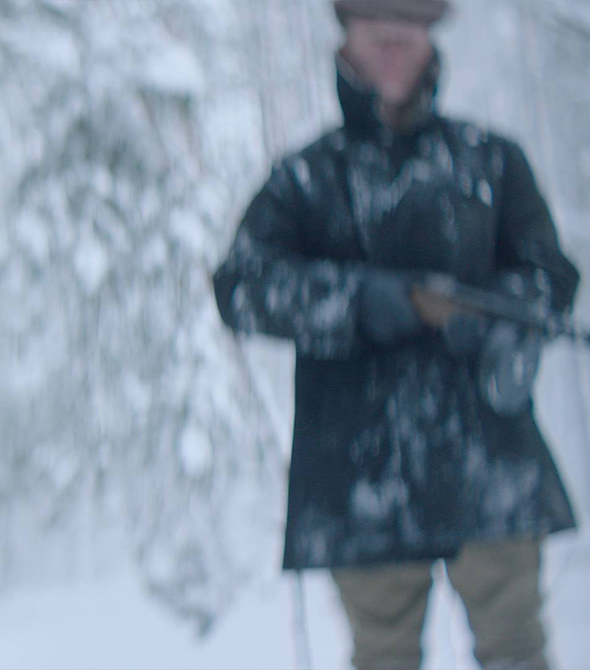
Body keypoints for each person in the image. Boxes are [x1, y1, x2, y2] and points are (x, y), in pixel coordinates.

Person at [212, 1, 578, 669]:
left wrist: (494, 318)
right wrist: (362, 302)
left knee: (519, 653)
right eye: (377, 35)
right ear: (347, 40)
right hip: (360, 475)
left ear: (430, 41)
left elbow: (550, 278)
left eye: (405, 35)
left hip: (488, 461)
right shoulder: (305, 178)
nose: (392, 49)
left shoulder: (492, 160)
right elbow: (242, 287)